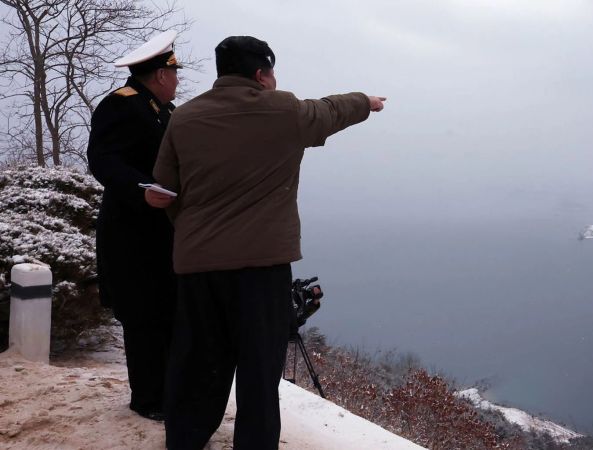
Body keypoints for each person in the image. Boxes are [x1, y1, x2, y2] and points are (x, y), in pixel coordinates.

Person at [149, 35, 386, 449]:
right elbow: (331, 110)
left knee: (199, 361)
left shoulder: (183, 118)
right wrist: (365, 101)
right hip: (262, 269)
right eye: (272, 73)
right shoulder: (284, 111)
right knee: (259, 370)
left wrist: (191, 232)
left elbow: (165, 190)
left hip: (199, 267)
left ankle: (185, 439)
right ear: (261, 74)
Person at [86, 30, 182, 422]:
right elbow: (102, 159)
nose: (178, 81)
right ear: (160, 75)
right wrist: (140, 191)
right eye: (174, 74)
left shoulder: (167, 112)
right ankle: (148, 400)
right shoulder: (120, 106)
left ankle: (169, 392)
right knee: (143, 315)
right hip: (130, 232)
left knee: (168, 312)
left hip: (165, 232)